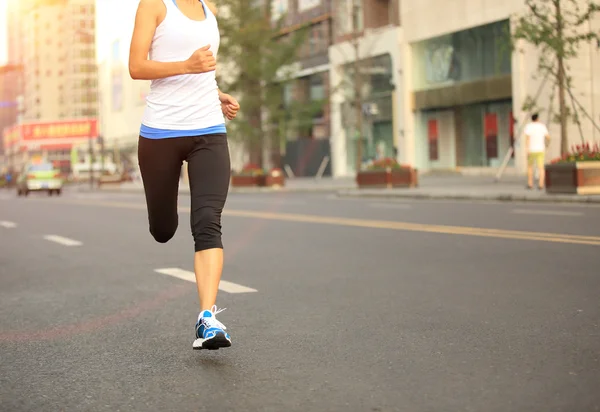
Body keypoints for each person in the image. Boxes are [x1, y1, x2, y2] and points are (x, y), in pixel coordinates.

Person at [129, 0, 240, 350]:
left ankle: (207, 318)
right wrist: (187, 66)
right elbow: (136, 66)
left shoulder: (211, 12)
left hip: (208, 128)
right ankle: (163, 218)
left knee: (208, 220)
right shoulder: (154, 6)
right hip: (161, 132)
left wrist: (216, 92)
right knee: (163, 229)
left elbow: (203, 71)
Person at [523, 113, 550, 189]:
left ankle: (530, 184)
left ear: (532, 119)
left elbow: (527, 139)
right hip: (541, 149)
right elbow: (548, 137)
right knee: (541, 168)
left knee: (530, 167)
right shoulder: (542, 126)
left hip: (531, 150)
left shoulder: (528, 126)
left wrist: (527, 149)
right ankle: (541, 184)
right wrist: (546, 144)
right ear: (538, 118)